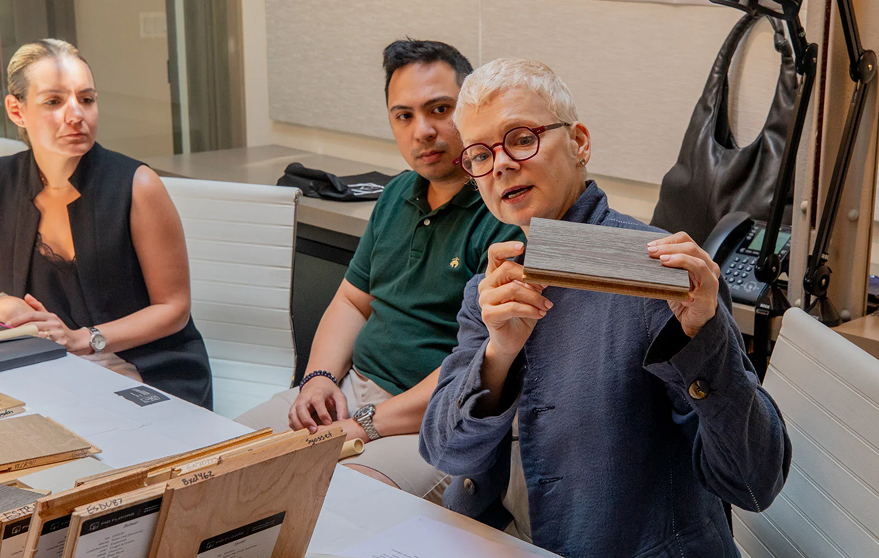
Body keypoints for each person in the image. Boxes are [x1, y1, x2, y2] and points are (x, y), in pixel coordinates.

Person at [419, 58, 790, 557]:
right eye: (480, 155)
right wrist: (498, 355)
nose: (500, 164)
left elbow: (754, 484)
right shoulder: (492, 286)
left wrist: (703, 337)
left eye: (521, 139)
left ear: (579, 143)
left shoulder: (657, 275)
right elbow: (444, 452)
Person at [236, 40, 522, 502]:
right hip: (351, 393)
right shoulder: (396, 194)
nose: (422, 131)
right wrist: (318, 380)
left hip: (437, 419)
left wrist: (364, 425)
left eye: (440, 109)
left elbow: (477, 365)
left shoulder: (504, 214)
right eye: (404, 116)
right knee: (219, 457)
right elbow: (353, 300)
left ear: (472, 110)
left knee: (340, 502)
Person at [0, 39, 212, 409]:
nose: (76, 115)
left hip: (145, 366)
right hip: (43, 366)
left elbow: (174, 308)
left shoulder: (138, 185)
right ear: (17, 111)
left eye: (86, 99)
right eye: (54, 101)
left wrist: (84, 339)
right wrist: (2, 306)